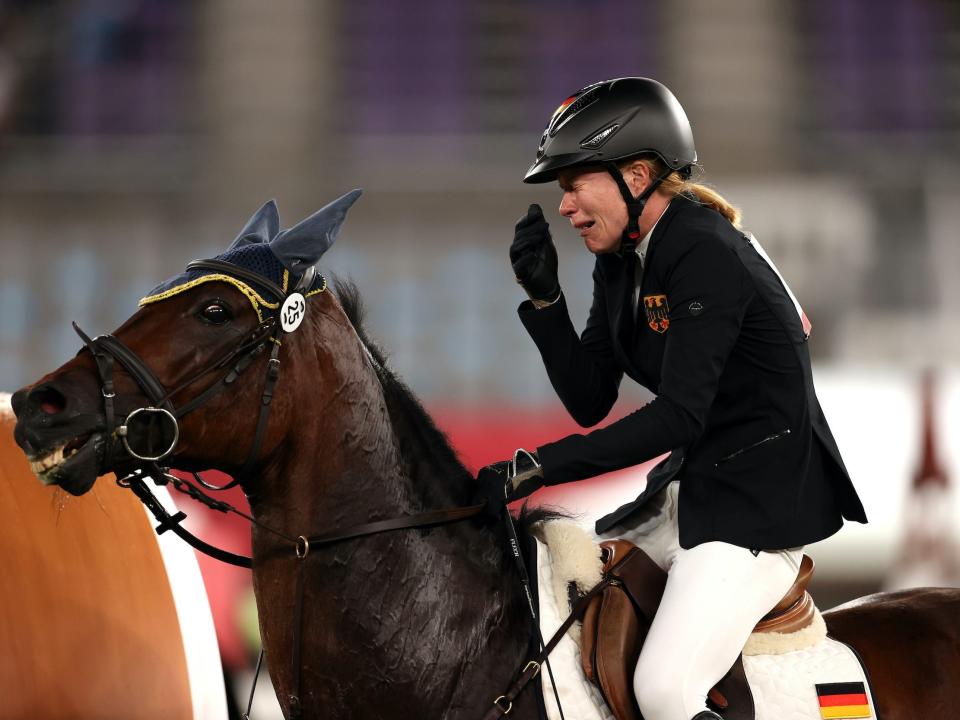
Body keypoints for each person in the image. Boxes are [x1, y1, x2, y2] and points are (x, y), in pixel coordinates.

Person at [476, 77, 868, 720]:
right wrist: (548, 302)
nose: (566, 206)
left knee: (663, 690)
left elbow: (679, 414)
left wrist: (538, 467)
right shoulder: (623, 258)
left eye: (574, 183)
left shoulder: (702, 250)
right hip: (696, 487)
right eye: (562, 191)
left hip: (760, 510)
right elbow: (590, 398)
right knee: (556, 609)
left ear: (637, 174)